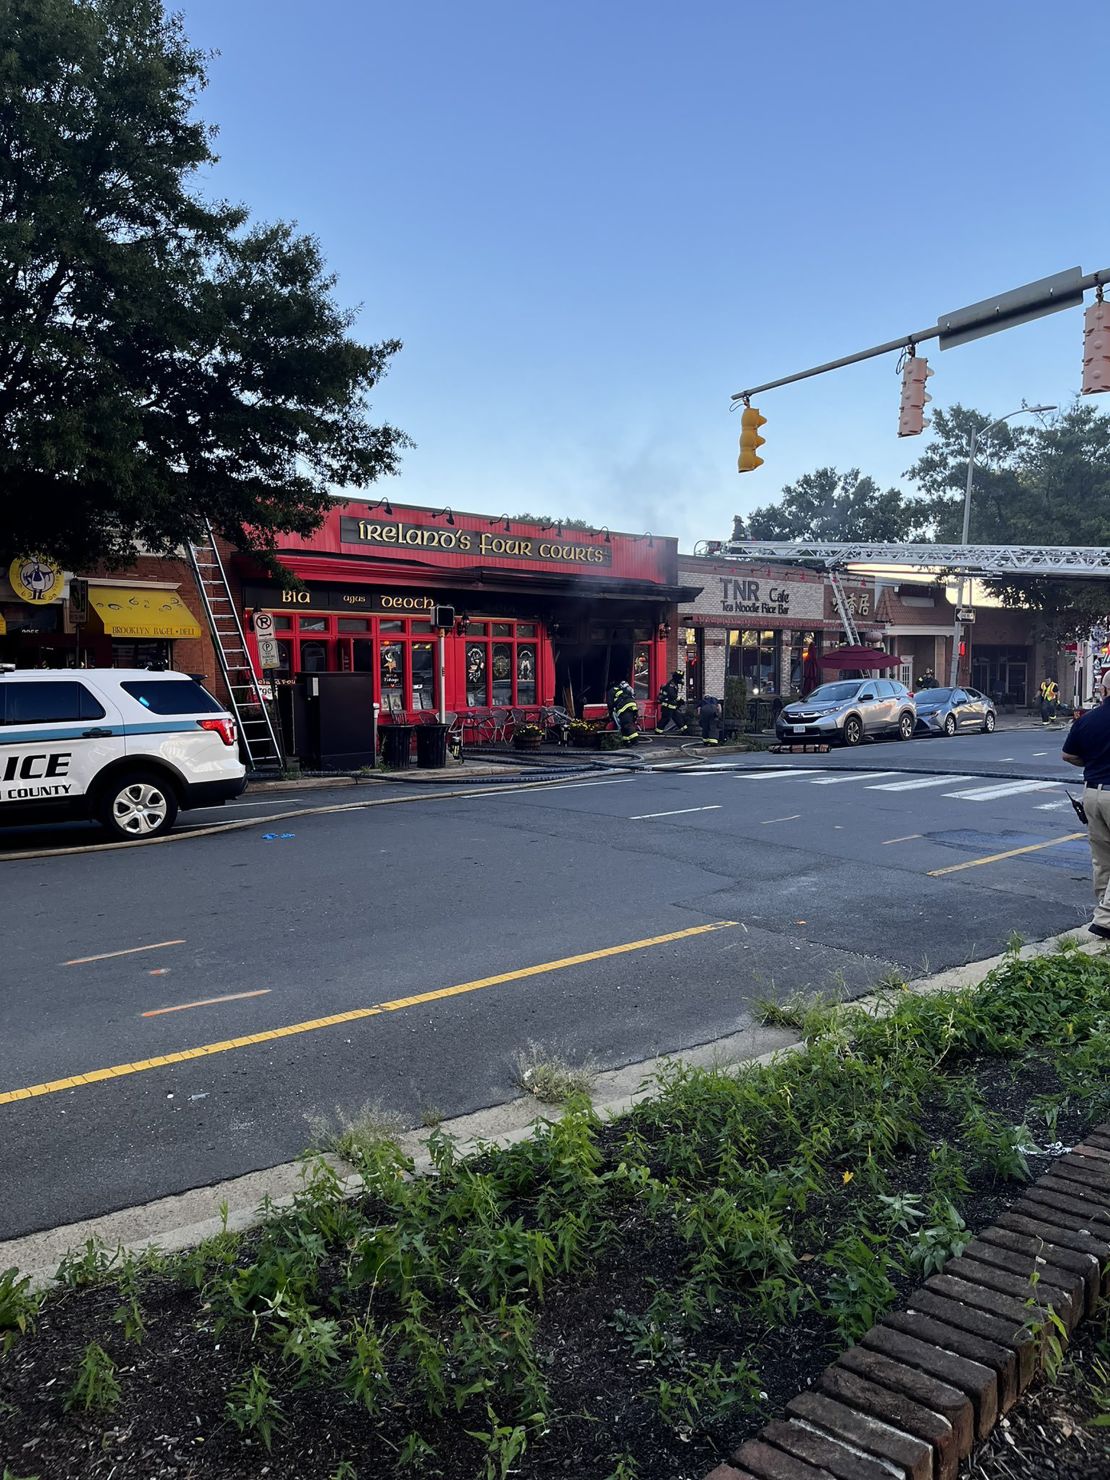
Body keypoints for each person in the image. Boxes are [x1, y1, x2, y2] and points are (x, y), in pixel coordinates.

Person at [1062, 672, 1110, 939]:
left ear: (1103, 691)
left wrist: (1089, 763)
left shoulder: (1087, 720)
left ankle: (1103, 910)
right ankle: (1105, 919)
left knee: (1102, 859)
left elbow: (1068, 754)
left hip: (1092, 793)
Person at [607, 680, 640, 744]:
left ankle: (634, 740)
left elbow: (610, 704)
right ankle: (626, 741)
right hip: (632, 706)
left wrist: (610, 712)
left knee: (627, 724)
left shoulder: (611, 691)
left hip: (624, 707)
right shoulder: (621, 689)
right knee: (624, 726)